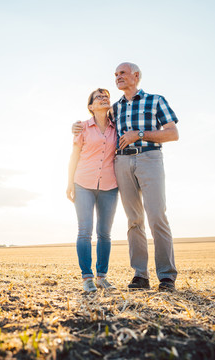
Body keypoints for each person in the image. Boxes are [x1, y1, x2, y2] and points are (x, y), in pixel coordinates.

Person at [72, 62, 179, 292]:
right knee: (134, 220)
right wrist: (75, 126)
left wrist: (138, 135)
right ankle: (140, 276)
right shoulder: (115, 108)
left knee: (157, 216)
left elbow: (173, 133)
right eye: (115, 74)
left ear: (136, 76)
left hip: (149, 158)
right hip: (121, 162)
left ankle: (167, 277)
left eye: (122, 73)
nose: (118, 77)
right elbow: (94, 120)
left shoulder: (155, 100)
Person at [67, 88, 119, 293]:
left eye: (106, 96)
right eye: (99, 97)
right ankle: (87, 278)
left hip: (110, 185)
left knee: (104, 233)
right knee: (85, 232)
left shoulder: (118, 126)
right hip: (83, 183)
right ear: (91, 106)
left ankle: (102, 277)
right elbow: (74, 155)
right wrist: (69, 182)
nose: (104, 98)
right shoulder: (82, 128)